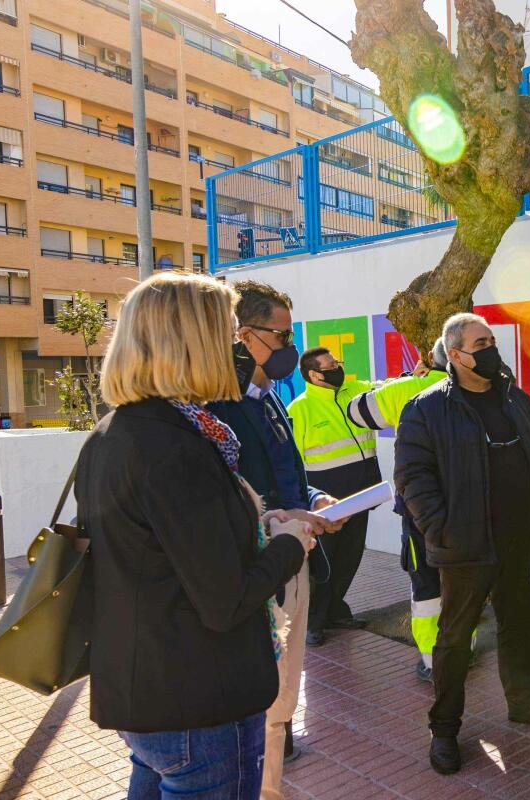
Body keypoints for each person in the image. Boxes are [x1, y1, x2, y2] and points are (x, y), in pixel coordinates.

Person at [75, 272, 319, 800]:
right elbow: (225, 598)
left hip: (147, 694)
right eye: (227, 330)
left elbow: (166, 553)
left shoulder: (116, 433)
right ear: (190, 340)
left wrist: (266, 523)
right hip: (198, 700)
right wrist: (290, 543)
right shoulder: (176, 446)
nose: (234, 344)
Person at [394, 313, 530, 776]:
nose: (490, 349)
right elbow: (412, 478)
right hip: (465, 545)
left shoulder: (513, 396)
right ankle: (445, 728)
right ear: (453, 355)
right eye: (479, 342)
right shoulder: (426, 407)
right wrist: (441, 529)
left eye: (491, 340)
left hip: (515, 538)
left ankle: (524, 702)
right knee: (454, 639)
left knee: (516, 621)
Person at [208, 280, 342, 797]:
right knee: (264, 708)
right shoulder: (218, 408)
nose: (289, 346)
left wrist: (316, 500)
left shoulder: (266, 399)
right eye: (280, 335)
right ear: (243, 335)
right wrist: (283, 517)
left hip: (294, 558)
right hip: (261, 572)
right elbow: (235, 495)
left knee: (283, 703)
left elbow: (284, 475)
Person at [346, 338, 458, 682]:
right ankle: (460, 652)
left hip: (419, 507)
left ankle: (430, 659)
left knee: (425, 583)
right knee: (459, 583)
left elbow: (356, 411)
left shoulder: (411, 387)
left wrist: (404, 379)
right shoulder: (478, 388)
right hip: (465, 503)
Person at [288, 347, 383, 647]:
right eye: (330, 365)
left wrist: (413, 376)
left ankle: (335, 611)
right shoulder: (299, 409)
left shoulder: (353, 391)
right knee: (324, 563)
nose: (337, 368)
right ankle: (312, 622)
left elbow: (385, 389)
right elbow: (291, 462)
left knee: (350, 556)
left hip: (362, 493)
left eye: (337, 363)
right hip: (326, 504)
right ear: (314, 375)